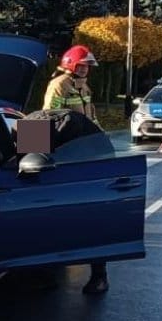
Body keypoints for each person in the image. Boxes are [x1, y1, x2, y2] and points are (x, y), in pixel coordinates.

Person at [42, 44, 108, 295]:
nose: (86, 69)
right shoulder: (58, 85)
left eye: (88, 66)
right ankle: (48, 273)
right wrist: (36, 155)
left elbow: (92, 121)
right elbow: (47, 118)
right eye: (82, 65)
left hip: (85, 158)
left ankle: (99, 275)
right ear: (70, 64)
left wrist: (104, 146)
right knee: (55, 219)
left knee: (91, 220)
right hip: (65, 158)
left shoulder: (83, 87)